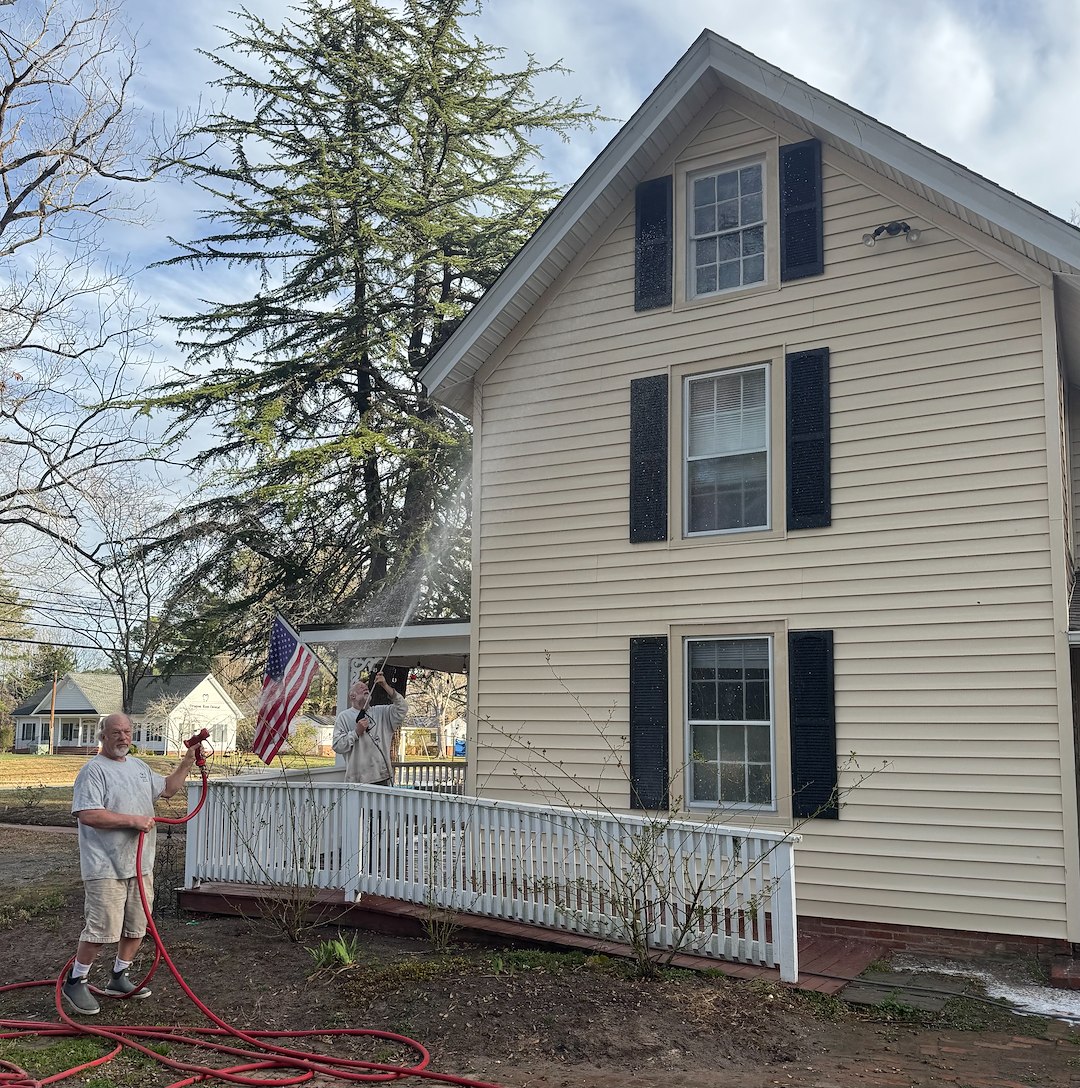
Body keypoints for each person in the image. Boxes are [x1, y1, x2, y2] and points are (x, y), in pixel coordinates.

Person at [61, 712, 198, 1016]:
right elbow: (88, 813)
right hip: (105, 866)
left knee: (137, 925)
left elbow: (168, 789)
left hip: (140, 865)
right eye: (116, 732)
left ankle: (118, 976)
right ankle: (76, 980)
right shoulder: (93, 771)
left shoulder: (139, 767)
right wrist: (132, 821)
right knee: (102, 928)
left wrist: (188, 761)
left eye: (127, 731)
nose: (123, 737)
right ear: (103, 736)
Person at [331, 671, 407, 785]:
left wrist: (385, 686)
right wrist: (356, 733)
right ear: (352, 696)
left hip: (382, 777)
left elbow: (402, 707)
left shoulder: (382, 712)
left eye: (366, 687)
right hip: (357, 780)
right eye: (360, 688)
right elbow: (338, 746)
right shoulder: (344, 717)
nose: (365, 688)